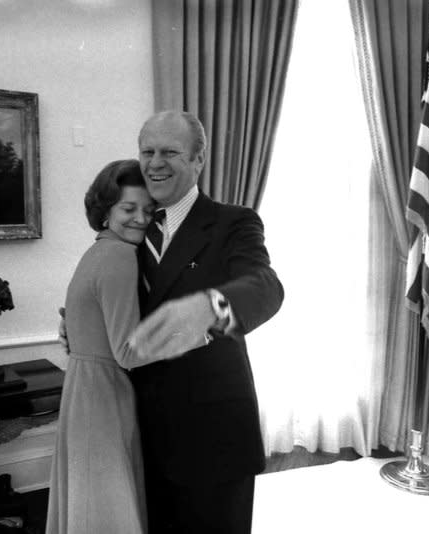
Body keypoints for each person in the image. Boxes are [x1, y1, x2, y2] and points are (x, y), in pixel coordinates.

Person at [125, 110, 284, 533]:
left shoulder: (234, 222)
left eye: (170, 152)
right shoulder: (128, 228)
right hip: (141, 434)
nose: (155, 163)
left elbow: (265, 286)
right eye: (147, 151)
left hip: (213, 439)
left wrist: (211, 308)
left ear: (198, 160)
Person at [45, 159, 207, 534]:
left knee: (89, 505)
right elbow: (127, 352)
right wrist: (197, 331)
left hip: (83, 389)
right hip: (104, 396)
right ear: (105, 212)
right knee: (107, 509)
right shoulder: (119, 256)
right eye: (128, 208)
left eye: (148, 210)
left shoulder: (97, 251)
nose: (139, 218)